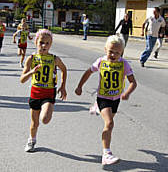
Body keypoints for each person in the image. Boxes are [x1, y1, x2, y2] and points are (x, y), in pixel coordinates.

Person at [75, 35, 137, 165]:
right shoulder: (101, 61)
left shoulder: (124, 64)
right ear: (105, 49)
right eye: (111, 51)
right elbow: (88, 72)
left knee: (108, 124)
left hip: (116, 99)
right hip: (103, 98)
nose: (113, 55)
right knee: (109, 123)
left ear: (122, 52)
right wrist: (80, 86)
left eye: (117, 52)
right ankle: (106, 154)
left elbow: (133, 83)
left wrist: (127, 93)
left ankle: (97, 108)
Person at [20, 29, 67, 152]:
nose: (44, 46)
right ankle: (31, 140)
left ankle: (47, 109)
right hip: (35, 93)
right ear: (36, 42)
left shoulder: (54, 59)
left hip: (48, 93)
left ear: (51, 44)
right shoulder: (31, 58)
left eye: (47, 43)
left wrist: (63, 85)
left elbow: (64, 69)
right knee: (34, 123)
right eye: (41, 42)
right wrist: (32, 71)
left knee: (45, 119)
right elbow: (22, 79)